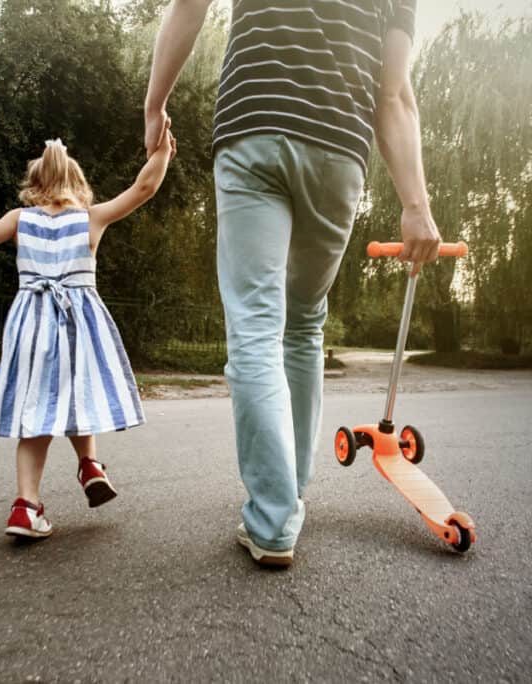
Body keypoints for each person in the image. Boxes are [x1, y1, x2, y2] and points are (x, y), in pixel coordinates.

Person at [144, 0, 442, 566]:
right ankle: (292, 488)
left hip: (254, 123)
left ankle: (274, 518)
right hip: (338, 143)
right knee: (303, 321)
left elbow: (189, 4)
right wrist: (415, 205)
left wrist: (154, 104)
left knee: (256, 325)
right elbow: (394, 93)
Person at [0, 133, 176, 539]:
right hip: (80, 321)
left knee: (37, 411)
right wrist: (163, 151)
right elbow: (145, 187)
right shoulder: (90, 218)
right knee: (78, 393)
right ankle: (90, 465)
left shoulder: (18, 219)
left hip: (32, 322)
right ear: (78, 183)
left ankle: (26, 507)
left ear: (34, 185)